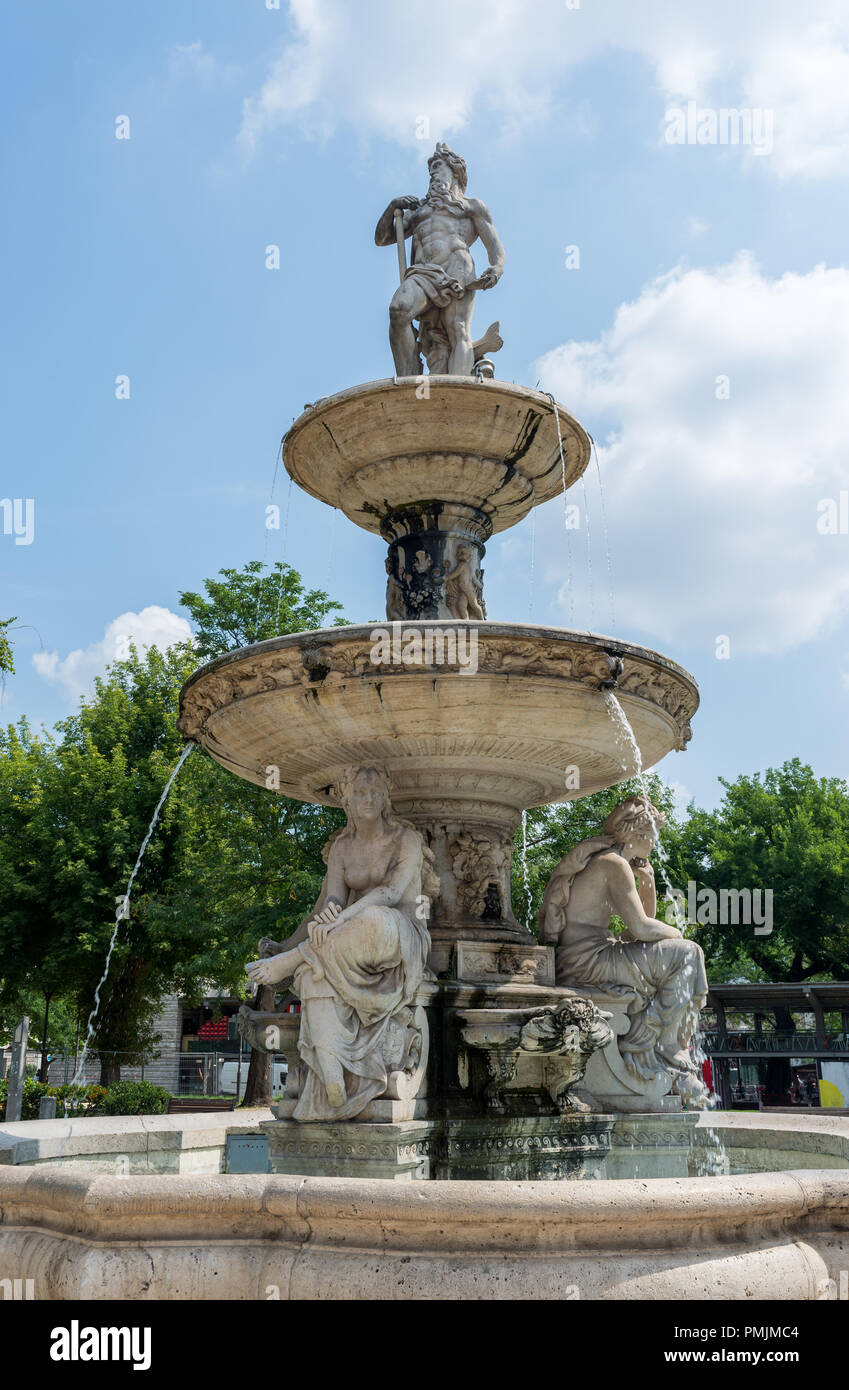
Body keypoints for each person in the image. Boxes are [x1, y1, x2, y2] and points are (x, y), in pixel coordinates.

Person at [247, 766, 436, 1121]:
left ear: (385, 799)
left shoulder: (404, 838)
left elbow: (391, 892)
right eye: (360, 793)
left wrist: (342, 918)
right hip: (351, 937)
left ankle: (292, 960)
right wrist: (327, 920)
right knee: (313, 970)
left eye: (375, 793)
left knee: (364, 921)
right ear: (347, 800)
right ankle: (332, 1075)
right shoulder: (342, 847)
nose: (367, 799)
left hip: (400, 932)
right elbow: (333, 899)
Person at [539, 795, 708, 1096]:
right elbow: (642, 929)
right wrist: (679, 936)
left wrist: (649, 882)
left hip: (588, 954)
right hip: (588, 960)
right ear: (639, 834)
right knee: (688, 954)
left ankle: (655, 1043)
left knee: (681, 956)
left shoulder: (611, 861)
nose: (655, 844)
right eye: (654, 836)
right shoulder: (613, 863)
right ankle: (665, 1048)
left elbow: (636, 934)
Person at [375, 143, 506, 376]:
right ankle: (407, 382)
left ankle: (456, 389)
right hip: (423, 272)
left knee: (458, 330)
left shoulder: (471, 206)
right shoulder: (418, 210)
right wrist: (392, 206)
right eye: (430, 171)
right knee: (399, 309)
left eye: (437, 167)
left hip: (457, 267)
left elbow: (494, 245)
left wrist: (496, 268)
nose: (433, 174)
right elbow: (382, 239)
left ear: (455, 171)